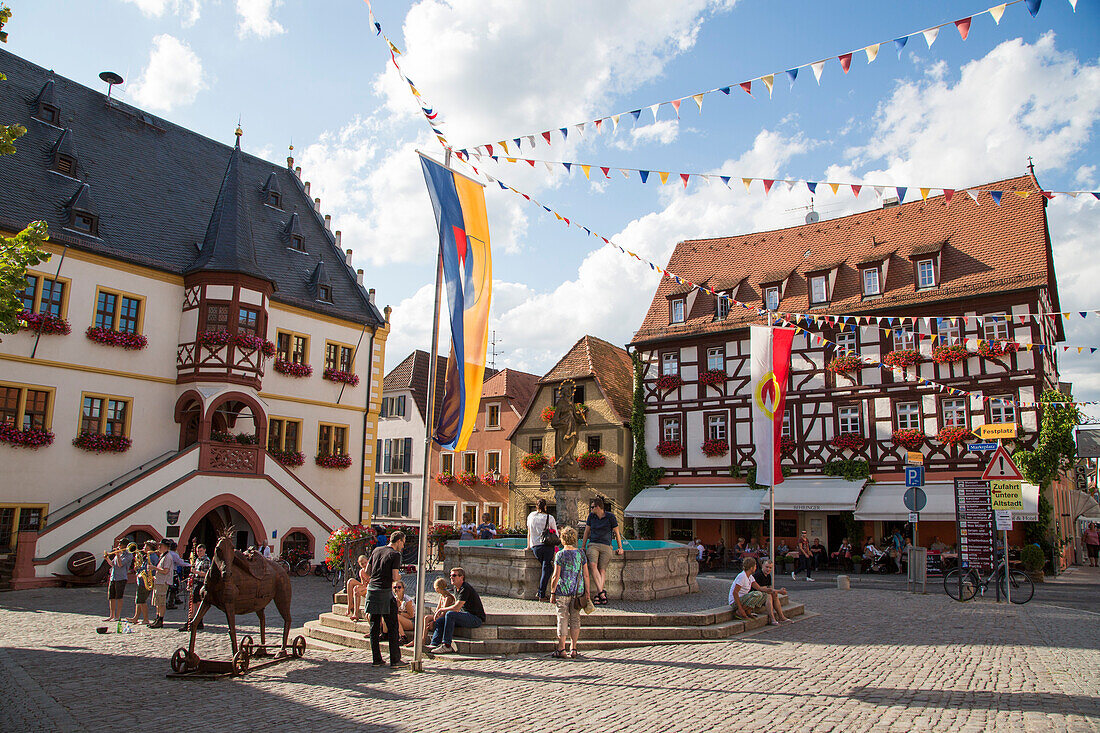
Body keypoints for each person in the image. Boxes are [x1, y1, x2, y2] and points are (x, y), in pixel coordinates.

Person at [364, 531, 406, 667]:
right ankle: (395, 660)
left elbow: (366, 572)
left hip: (372, 591)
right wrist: (399, 577)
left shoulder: (377, 550)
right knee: (393, 626)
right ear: (398, 541)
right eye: (403, 543)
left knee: (374, 627)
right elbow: (394, 576)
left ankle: (376, 659)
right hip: (385, 592)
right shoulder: (395, 555)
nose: (403, 546)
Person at [548, 525, 590, 659]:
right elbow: (586, 575)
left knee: (562, 618)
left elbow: (556, 575)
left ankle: (561, 649)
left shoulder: (560, 554)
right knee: (575, 619)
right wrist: (587, 592)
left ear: (562, 539)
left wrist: (552, 592)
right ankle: (574, 648)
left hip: (562, 590)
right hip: (577, 592)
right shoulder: (581, 554)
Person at [429, 567, 486, 654]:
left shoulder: (465, 588)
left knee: (450, 614)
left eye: (454, 575)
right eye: (451, 575)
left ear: (461, 577)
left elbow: (456, 607)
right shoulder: (456, 588)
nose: (451, 577)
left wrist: (441, 609)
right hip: (465, 616)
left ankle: (447, 645)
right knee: (441, 621)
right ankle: (434, 643)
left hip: (475, 618)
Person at [582, 496, 624, 606]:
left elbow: (617, 533)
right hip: (593, 544)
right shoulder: (591, 516)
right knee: (592, 564)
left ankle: (598, 594)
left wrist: (620, 547)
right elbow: (587, 532)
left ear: (598, 507)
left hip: (606, 545)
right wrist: (583, 546)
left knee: (602, 570)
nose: (591, 509)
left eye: (592, 507)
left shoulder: (610, 517)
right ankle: (601, 593)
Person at [728, 557, 779, 625]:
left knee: (764, 595)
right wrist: (740, 608)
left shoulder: (750, 577)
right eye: (755, 566)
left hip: (744, 599)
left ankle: (748, 611)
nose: (756, 568)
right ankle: (740, 611)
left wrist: (771, 590)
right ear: (751, 567)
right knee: (757, 594)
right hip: (736, 601)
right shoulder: (742, 576)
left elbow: (759, 588)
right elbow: (735, 592)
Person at [409, 577, 455, 648]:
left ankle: (423, 639)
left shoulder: (448, 598)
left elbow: (444, 613)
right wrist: (434, 618)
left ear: (438, 588)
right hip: (440, 616)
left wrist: (434, 621)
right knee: (425, 618)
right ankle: (420, 639)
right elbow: (437, 610)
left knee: (428, 619)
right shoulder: (442, 597)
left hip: (445, 617)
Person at [527, 499, 558, 601]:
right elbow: (556, 535)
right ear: (545, 507)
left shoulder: (531, 516)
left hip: (535, 547)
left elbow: (529, 533)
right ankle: (541, 594)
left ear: (536, 506)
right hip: (547, 546)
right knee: (547, 568)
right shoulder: (550, 518)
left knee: (547, 568)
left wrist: (528, 546)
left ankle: (541, 592)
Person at [179, 543, 210, 632]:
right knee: (193, 602)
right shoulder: (197, 560)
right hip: (195, 582)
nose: (199, 553)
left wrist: (197, 572)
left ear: (204, 550)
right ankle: (193, 620)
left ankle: (196, 620)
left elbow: (207, 574)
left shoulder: (206, 560)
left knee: (197, 603)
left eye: (200, 551)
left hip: (201, 583)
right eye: (197, 551)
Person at [126, 541, 158, 625]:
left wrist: (140, 570)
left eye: (145, 546)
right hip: (142, 581)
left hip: (145, 581)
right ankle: (136, 617)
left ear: (149, 548)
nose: (143, 547)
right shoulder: (148, 556)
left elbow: (148, 570)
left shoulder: (151, 557)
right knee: (138, 600)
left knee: (142, 601)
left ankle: (145, 619)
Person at [753, 560, 792, 624]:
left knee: (774, 594)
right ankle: (772, 619)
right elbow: (764, 589)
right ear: (762, 566)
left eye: (770, 568)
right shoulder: (759, 575)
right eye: (767, 567)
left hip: (761, 594)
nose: (768, 569)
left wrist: (777, 591)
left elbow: (769, 589)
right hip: (755, 595)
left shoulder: (768, 576)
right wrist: (780, 591)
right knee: (768, 596)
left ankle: (781, 616)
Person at [104, 538, 132, 622]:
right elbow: (113, 564)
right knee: (111, 597)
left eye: (120, 544)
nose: (119, 546)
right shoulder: (119, 554)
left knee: (119, 597)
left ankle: (117, 615)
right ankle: (111, 615)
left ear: (125, 545)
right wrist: (107, 558)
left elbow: (120, 564)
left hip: (121, 578)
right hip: (113, 577)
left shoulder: (128, 555)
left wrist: (118, 555)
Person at [149, 540, 173, 628]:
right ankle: (157, 618)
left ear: (166, 547)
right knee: (157, 602)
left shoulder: (168, 557)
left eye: (161, 546)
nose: (159, 547)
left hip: (163, 582)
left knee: (161, 602)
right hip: (158, 581)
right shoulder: (163, 556)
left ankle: (160, 620)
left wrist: (154, 568)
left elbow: (165, 571)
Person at [387, 579, 416, 644]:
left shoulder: (407, 600)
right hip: (402, 620)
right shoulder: (394, 599)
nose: (397, 589)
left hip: (413, 621)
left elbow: (411, 615)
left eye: (399, 587)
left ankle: (403, 637)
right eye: (394, 587)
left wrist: (400, 614)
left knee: (395, 616)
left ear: (403, 589)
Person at [345, 554, 370, 620]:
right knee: (350, 581)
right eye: (362, 564)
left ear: (368, 561)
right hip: (365, 587)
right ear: (360, 564)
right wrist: (360, 586)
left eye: (365, 563)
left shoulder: (371, 570)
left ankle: (355, 614)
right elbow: (363, 584)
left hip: (370, 588)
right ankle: (350, 604)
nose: (364, 565)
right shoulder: (361, 571)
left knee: (357, 590)